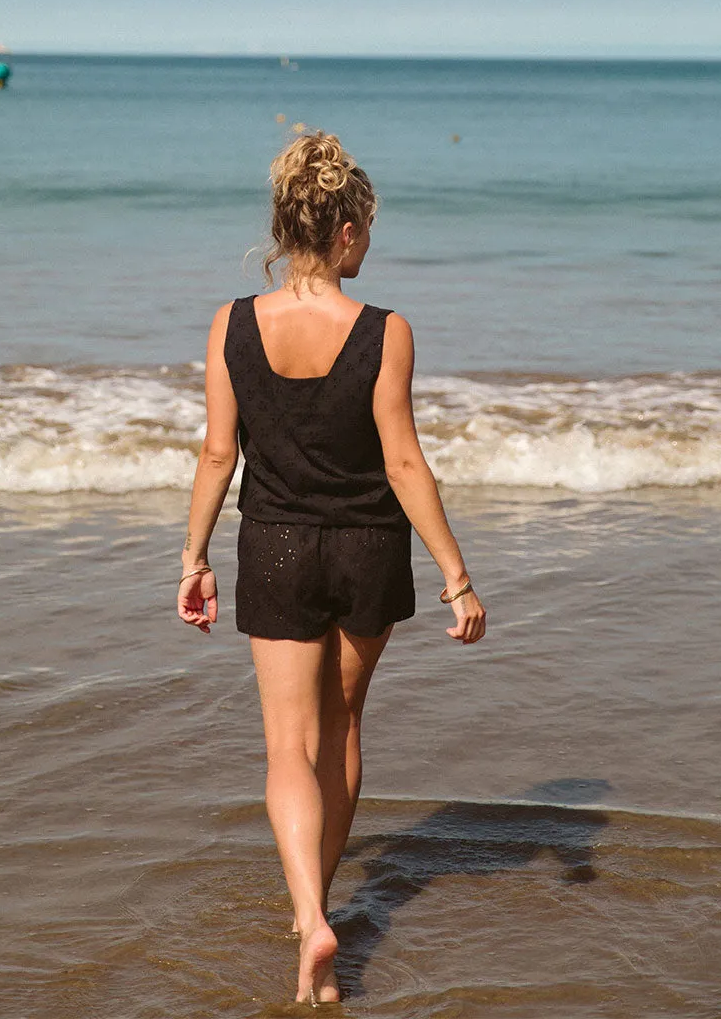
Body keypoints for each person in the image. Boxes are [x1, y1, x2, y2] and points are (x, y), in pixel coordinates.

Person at [177, 131, 486, 1004]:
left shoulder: (232, 323)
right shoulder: (386, 332)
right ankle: (320, 902)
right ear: (348, 231)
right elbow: (404, 464)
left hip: (273, 548)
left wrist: (194, 556)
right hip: (366, 550)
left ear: (286, 227)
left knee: (288, 744)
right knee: (342, 729)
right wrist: (456, 575)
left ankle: (309, 914)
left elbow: (215, 454)